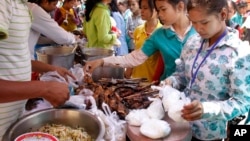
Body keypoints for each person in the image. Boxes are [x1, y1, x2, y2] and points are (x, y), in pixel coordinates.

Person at [164, 0, 250, 140]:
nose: (198, 28)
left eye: (204, 23)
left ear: (223, 15)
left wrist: (206, 109)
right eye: (193, 22)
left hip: (211, 133)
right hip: (182, 126)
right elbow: (182, 76)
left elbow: (242, 102)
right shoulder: (192, 42)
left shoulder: (238, 53)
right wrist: (171, 82)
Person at [0, 0, 74, 139]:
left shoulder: (22, 5)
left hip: (12, 120)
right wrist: (44, 89)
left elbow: (13, 57)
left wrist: (50, 68)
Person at [84, 0, 196, 82]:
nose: (160, 14)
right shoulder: (159, 35)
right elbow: (134, 58)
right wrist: (102, 61)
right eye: (158, 10)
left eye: (163, 9)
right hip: (169, 93)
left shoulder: (200, 30)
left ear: (180, 6)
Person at [124, 0, 162, 82]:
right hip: (135, 79)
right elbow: (135, 51)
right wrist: (129, 69)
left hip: (151, 81)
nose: (142, 11)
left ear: (155, 10)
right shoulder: (138, 30)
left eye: (145, 8)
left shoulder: (162, 32)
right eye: (141, 8)